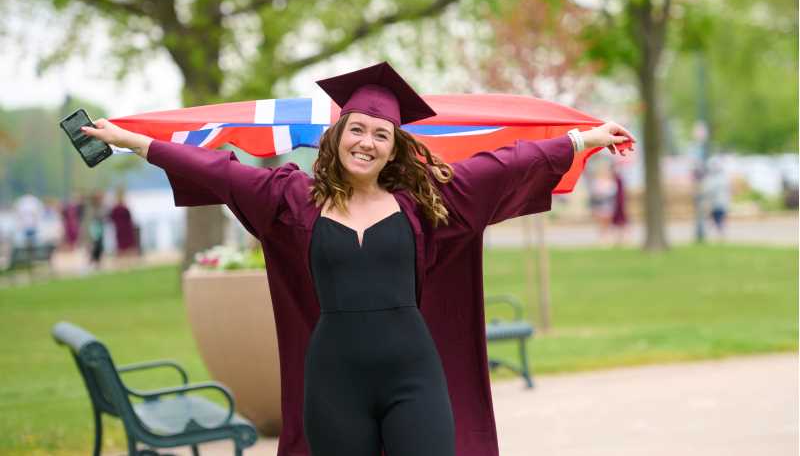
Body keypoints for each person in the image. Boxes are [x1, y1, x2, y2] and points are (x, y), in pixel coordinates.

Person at [82, 61, 636, 456]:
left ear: (395, 146)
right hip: (334, 380)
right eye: (356, 129)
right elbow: (220, 172)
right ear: (337, 136)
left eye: (380, 133)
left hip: (413, 374)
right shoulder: (294, 199)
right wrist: (136, 142)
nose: (366, 141)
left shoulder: (427, 202)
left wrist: (583, 140)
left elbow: (509, 164)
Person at [108, 188, 138, 257]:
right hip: (121, 229)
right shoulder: (118, 208)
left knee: (126, 247)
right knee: (123, 247)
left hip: (123, 229)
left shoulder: (118, 208)